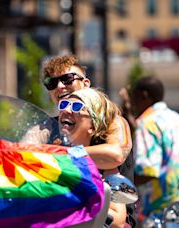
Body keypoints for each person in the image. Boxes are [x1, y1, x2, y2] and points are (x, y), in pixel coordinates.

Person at [41, 54, 137, 226]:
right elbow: (23, 150)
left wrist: (62, 155)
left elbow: (115, 154)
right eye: (52, 83)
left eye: (67, 79)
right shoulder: (46, 127)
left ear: (85, 84)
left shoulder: (110, 119)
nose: (60, 86)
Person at [129, 76, 179, 220]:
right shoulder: (178, 119)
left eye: (134, 98)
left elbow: (148, 170)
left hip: (164, 207)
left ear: (144, 96)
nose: (132, 104)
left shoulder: (147, 122)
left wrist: (125, 182)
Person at [58, 87, 128, 227]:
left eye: (77, 107)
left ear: (93, 127)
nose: (66, 110)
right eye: (64, 104)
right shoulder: (47, 150)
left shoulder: (105, 167)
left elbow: (119, 221)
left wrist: (77, 201)